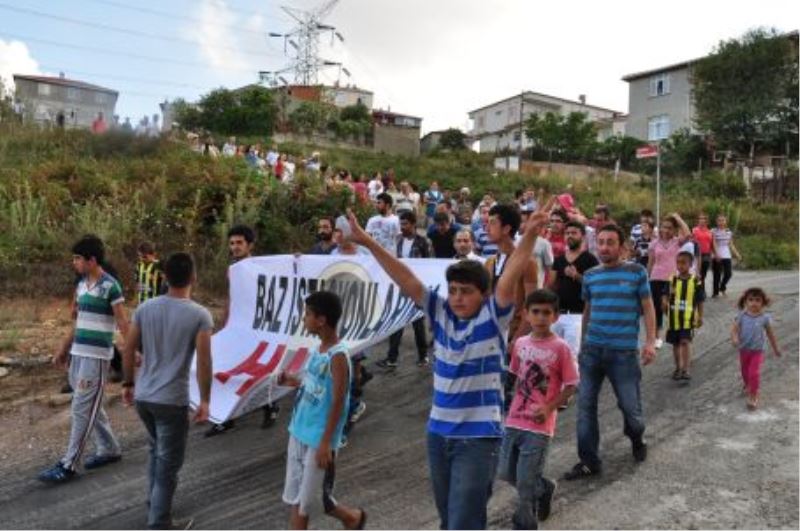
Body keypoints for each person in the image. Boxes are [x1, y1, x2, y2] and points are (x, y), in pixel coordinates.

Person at [345, 207, 548, 530]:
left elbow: (512, 275)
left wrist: (532, 232)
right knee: (448, 520)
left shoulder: (494, 317)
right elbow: (404, 276)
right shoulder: (440, 314)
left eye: (466, 292)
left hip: (478, 439)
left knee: (462, 523)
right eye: (453, 290)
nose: (457, 297)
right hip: (438, 435)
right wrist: (367, 241)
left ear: (484, 295)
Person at [122, 253, 213, 530]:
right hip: (172, 400)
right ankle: (159, 522)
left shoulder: (145, 308)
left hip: (144, 397)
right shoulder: (199, 315)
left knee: (155, 450)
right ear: (194, 277)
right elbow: (205, 361)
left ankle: (154, 503)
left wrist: (127, 384)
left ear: (163, 277)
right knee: (168, 465)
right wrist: (206, 399)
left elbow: (128, 349)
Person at [564, 224, 657, 481]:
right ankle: (589, 461)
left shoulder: (637, 273)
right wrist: (581, 347)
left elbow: (648, 309)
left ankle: (636, 437)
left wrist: (650, 342)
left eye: (610, 242)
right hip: (592, 352)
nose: (604, 247)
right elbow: (588, 312)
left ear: (622, 246)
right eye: (601, 242)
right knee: (585, 408)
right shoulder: (591, 275)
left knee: (631, 411)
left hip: (624, 354)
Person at [38, 235, 129, 484]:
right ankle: (109, 449)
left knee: (81, 409)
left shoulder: (111, 286)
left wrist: (134, 352)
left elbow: (122, 322)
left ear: (92, 260)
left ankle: (70, 464)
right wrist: (63, 349)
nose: (74, 263)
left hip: (97, 357)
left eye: (78, 258)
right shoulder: (80, 286)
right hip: (78, 353)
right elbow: (78, 323)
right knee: (91, 405)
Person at [277, 291, 367, 531]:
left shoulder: (338, 356)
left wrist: (327, 442)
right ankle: (352, 519)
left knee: (305, 504)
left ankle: (353, 518)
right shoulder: (318, 349)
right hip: (298, 430)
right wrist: (290, 380)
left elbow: (338, 400)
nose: (304, 318)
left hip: (318, 439)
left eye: (307, 314)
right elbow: (311, 381)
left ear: (321, 320)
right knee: (302, 498)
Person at [498, 289, 579, 530]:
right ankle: (544, 488)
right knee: (505, 472)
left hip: (539, 426)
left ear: (555, 317)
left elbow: (572, 384)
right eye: (536, 312)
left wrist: (550, 407)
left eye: (547, 313)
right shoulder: (521, 343)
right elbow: (512, 375)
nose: (541, 317)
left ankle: (524, 522)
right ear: (526, 314)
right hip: (513, 420)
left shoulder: (561, 348)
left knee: (524, 483)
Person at [206, 225, 280, 437]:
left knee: (260, 368)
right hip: (237, 327)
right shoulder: (232, 268)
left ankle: (270, 405)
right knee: (231, 368)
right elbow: (231, 296)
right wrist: (224, 321)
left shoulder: (261, 266)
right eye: (231, 243)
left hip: (258, 328)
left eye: (239, 243)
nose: (235, 247)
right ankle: (227, 417)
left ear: (250, 245)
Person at [378, 211, 432, 370]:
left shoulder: (423, 242)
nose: (402, 227)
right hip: (402, 288)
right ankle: (391, 358)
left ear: (414, 224)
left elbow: (429, 263)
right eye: (401, 224)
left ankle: (423, 356)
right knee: (397, 322)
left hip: (417, 287)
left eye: (405, 224)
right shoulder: (399, 240)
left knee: (417, 324)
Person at [485, 203, 538, 344]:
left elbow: (532, 305)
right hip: (489, 334)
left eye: (492, 223)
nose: (487, 228)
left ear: (506, 228)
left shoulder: (528, 263)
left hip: (513, 334)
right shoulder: (489, 262)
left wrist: (516, 340)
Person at [548, 221, 598, 358]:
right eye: (567, 233)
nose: (570, 236)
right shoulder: (558, 260)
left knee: (571, 357)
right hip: (557, 315)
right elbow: (550, 286)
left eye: (574, 233)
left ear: (582, 236)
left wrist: (576, 276)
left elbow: (596, 286)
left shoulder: (590, 259)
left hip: (578, 315)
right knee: (552, 355)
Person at [732, 288, 781, 410]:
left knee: (753, 373)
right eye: (750, 300)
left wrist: (776, 348)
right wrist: (734, 338)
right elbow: (734, 329)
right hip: (744, 349)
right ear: (745, 302)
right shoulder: (741, 316)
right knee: (745, 372)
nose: (754, 303)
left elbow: (770, 334)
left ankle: (753, 395)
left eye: (758, 300)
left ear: (763, 303)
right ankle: (747, 385)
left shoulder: (765, 318)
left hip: (758, 351)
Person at [647, 213, 690, 349]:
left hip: (672, 279)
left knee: (673, 308)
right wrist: (647, 279)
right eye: (663, 227)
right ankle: (656, 337)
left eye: (669, 228)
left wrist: (678, 218)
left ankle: (678, 334)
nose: (665, 230)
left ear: (674, 230)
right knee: (656, 308)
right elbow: (650, 263)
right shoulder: (654, 243)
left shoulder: (677, 241)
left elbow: (688, 234)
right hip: (655, 278)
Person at [664, 251, 705, 382]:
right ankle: (678, 368)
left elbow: (700, 300)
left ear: (690, 264)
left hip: (688, 319)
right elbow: (664, 295)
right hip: (673, 319)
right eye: (678, 262)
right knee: (676, 344)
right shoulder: (672, 280)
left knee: (685, 342)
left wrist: (700, 316)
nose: (680, 265)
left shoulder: (696, 281)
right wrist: (664, 302)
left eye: (683, 263)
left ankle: (686, 369)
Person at [711, 214, 742, 298]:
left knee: (728, 273)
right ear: (716, 222)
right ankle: (715, 293)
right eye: (719, 220)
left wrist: (737, 254)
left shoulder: (728, 232)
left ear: (726, 221)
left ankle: (722, 287)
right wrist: (716, 254)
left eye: (723, 220)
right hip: (716, 255)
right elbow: (713, 243)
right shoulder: (713, 231)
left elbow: (731, 244)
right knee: (717, 275)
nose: (721, 222)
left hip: (726, 255)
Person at [135, 241, 166, 306]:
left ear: (153, 255)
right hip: (141, 302)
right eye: (140, 256)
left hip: (155, 302)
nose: (142, 259)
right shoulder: (139, 265)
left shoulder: (158, 265)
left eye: (144, 257)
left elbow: (166, 280)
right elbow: (137, 282)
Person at [692, 213, 713, 295]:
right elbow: (692, 241)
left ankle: (701, 290)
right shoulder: (694, 230)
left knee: (703, 274)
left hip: (706, 255)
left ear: (707, 221)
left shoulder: (709, 231)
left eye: (704, 219)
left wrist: (712, 254)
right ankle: (700, 291)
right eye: (700, 219)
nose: (702, 220)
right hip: (697, 254)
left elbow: (711, 244)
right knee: (697, 272)